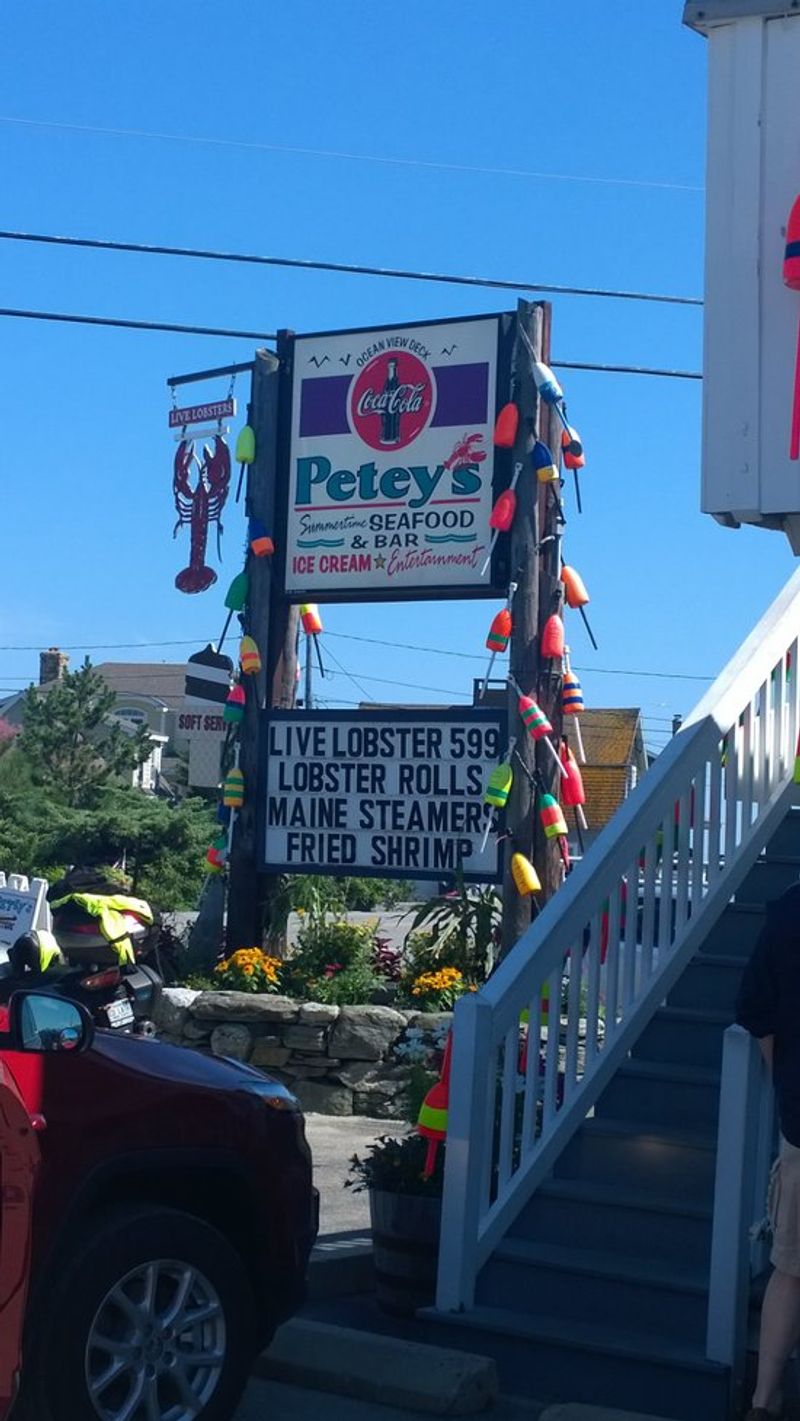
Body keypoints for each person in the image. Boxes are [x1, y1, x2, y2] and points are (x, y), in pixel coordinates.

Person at [737, 882, 800, 1421]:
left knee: (789, 1268)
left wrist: (784, 1077)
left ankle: (763, 1401)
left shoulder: (786, 914)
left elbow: (755, 1009)